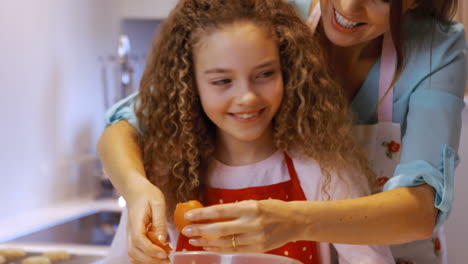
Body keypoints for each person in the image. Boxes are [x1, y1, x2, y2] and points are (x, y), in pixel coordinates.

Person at [98, 0, 467, 263]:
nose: (349, 7)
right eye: (222, 80)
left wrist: (293, 221)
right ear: (191, 86)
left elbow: (419, 211)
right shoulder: (270, 12)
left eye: (265, 74)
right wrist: (137, 189)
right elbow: (128, 123)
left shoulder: (436, 50)